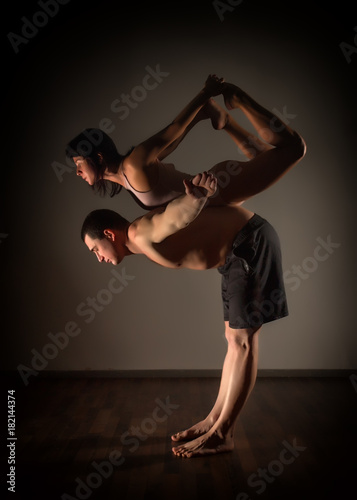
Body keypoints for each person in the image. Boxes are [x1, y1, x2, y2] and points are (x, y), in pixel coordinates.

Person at [80, 171, 290, 457]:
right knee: (232, 338)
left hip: (249, 243)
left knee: (243, 341)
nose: (98, 257)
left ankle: (223, 434)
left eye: (95, 249)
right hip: (233, 257)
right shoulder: (137, 240)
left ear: (108, 234)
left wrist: (194, 200)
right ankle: (213, 420)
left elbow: (172, 218)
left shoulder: (139, 233)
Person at [66, 76, 305, 209]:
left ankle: (239, 98)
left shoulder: (133, 165)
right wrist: (201, 114)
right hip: (218, 195)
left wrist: (206, 93)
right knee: (265, 155)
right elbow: (168, 148)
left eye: (78, 163)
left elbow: (172, 131)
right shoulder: (127, 176)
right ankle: (224, 121)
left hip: (222, 187)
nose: (76, 172)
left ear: (97, 157)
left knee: (294, 149)